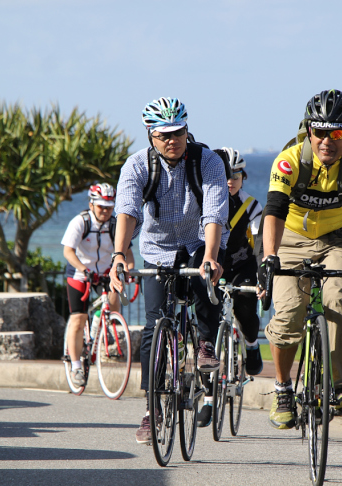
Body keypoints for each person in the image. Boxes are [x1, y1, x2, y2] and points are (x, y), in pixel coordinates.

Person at [108, 97, 229, 443]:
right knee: (152, 327)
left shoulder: (207, 161)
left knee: (206, 281)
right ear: (150, 135)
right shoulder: (136, 165)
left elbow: (214, 210)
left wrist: (210, 255)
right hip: (157, 250)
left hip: (197, 242)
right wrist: (119, 253)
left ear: (187, 129)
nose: (171, 140)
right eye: (163, 135)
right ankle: (151, 408)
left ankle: (205, 343)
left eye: (177, 132)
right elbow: (128, 210)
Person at [259, 89, 342, 429]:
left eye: (338, 132)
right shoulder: (289, 160)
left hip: (336, 238)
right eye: (320, 131)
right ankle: (283, 389)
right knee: (288, 314)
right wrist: (270, 256)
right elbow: (274, 211)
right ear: (308, 130)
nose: (328, 140)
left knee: (339, 297)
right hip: (290, 238)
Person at [195, 147, 265, 428]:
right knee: (206, 336)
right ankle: (208, 400)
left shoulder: (252, 206)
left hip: (243, 267)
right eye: (225, 175)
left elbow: (260, 245)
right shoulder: (206, 202)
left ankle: (250, 345)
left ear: (243, 177)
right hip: (214, 266)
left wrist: (262, 277)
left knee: (246, 312)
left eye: (235, 175)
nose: (230, 180)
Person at [60, 183, 135, 387]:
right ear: (91, 204)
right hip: (80, 273)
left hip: (105, 272)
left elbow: (127, 252)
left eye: (109, 207)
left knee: (114, 300)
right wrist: (84, 270)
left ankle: (106, 325)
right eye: (101, 206)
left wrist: (129, 269)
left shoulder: (115, 225)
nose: (105, 211)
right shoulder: (80, 222)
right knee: (78, 318)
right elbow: (68, 252)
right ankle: (76, 365)